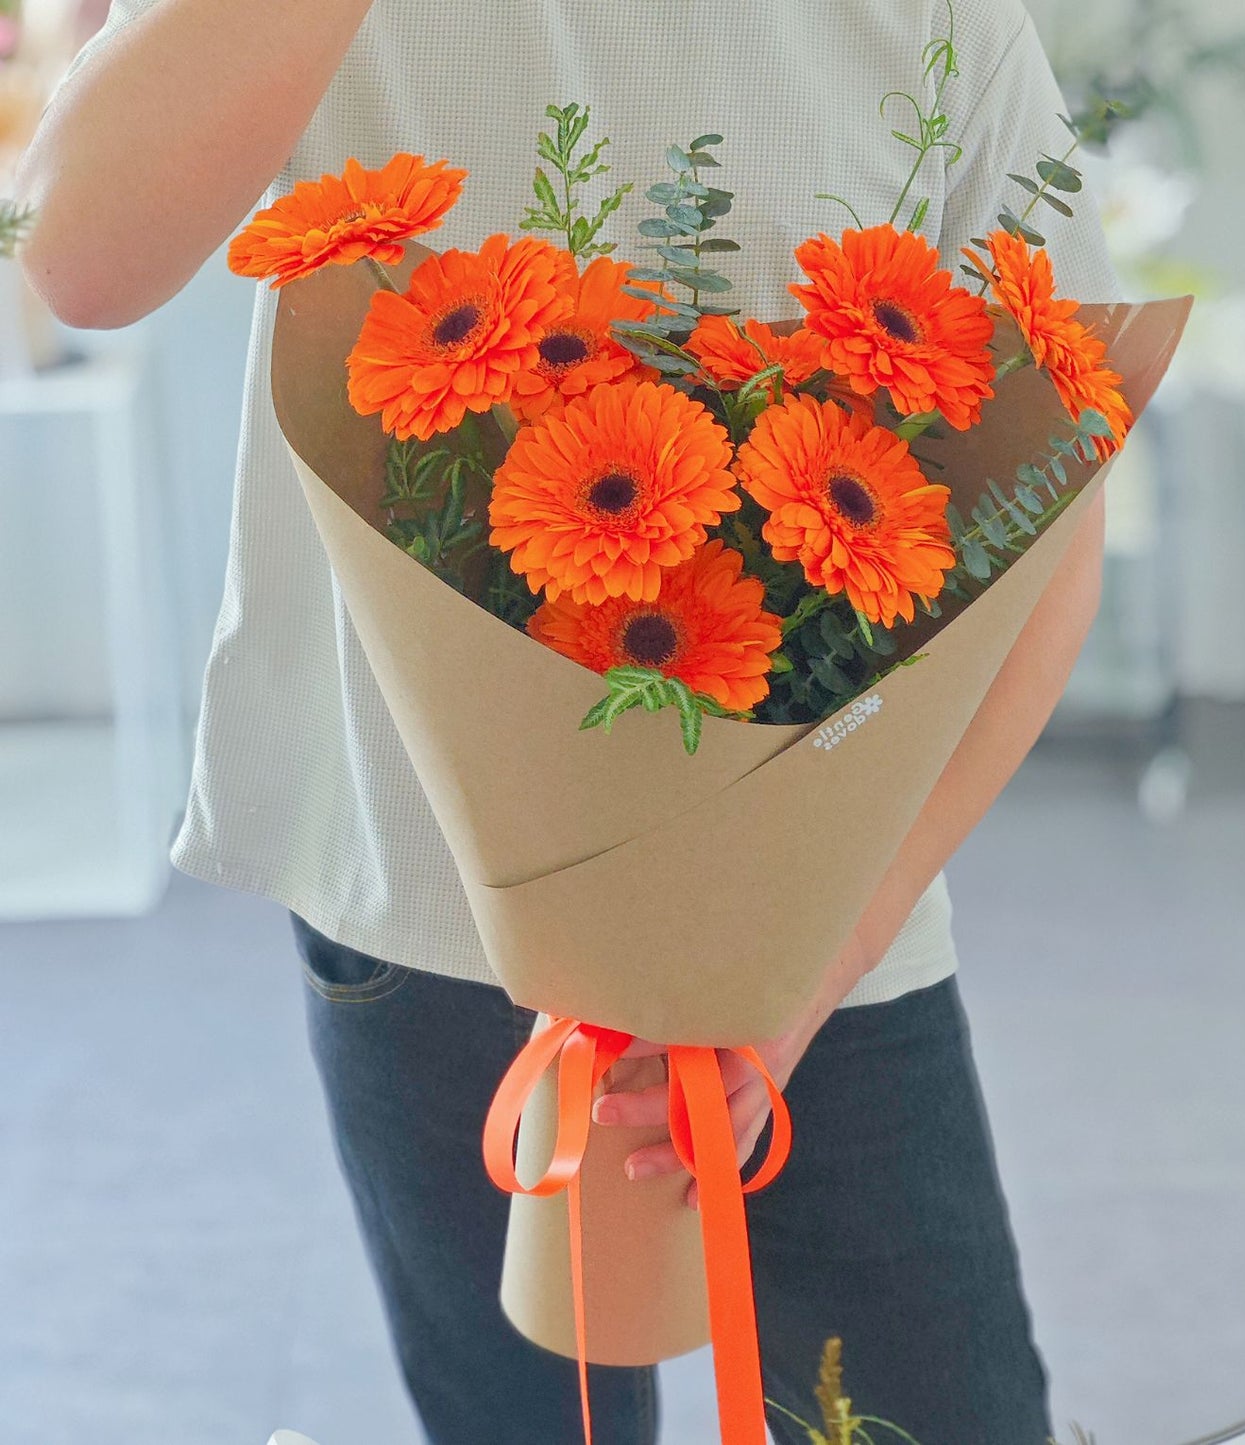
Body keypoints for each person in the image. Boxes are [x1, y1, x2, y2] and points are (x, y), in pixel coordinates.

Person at [15, 2, 1117, 1440]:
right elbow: (80, 258)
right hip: (424, 891)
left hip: (833, 915)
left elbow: (1053, 509)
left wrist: (798, 984)